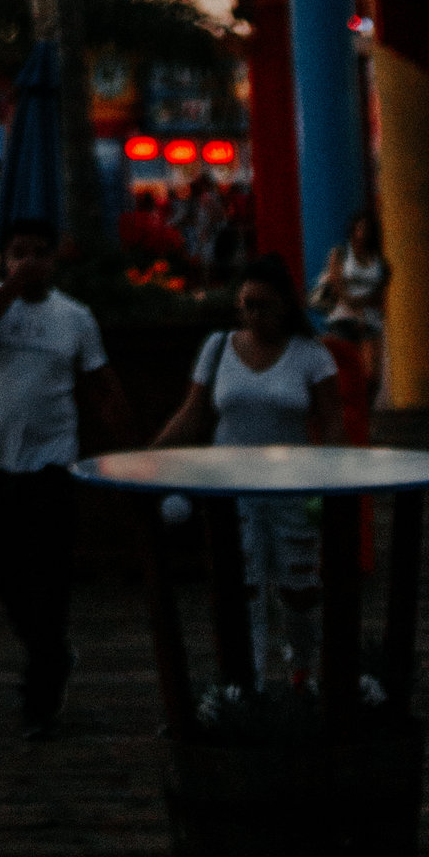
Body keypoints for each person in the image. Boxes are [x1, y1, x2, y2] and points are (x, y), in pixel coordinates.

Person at [0, 215, 127, 738]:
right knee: (4, 570)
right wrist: (10, 288)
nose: (29, 261)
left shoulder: (74, 318)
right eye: (18, 252)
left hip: (52, 463)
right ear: (3, 260)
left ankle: (42, 689)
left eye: (39, 253)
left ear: (55, 260)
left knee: (48, 575)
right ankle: (50, 652)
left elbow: (102, 384)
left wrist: (126, 441)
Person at [152, 248, 340, 678]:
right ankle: (249, 679)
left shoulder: (311, 356)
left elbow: (332, 424)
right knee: (242, 586)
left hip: (293, 486)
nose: (253, 316)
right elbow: (193, 412)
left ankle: (304, 671)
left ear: (285, 306)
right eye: (246, 305)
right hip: (230, 488)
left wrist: (336, 482)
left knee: (299, 589)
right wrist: (148, 456)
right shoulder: (218, 348)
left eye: (263, 306)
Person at [313, 207, 391, 402]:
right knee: (344, 373)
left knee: (372, 375)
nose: (363, 232)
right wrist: (356, 302)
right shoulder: (340, 254)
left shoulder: (378, 260)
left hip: (370, 320)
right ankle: (350, 411)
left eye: (367, 228)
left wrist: (367, 303)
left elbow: (382, 292)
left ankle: (366, 410)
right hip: (343, 318)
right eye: (359, 228)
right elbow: (337, 283)